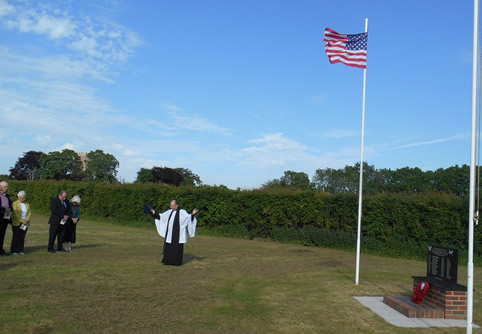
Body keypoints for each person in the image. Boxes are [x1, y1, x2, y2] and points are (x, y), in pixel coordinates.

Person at [150, 200, 198, 266]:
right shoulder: (169, 212)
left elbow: (188, 218)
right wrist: (154, 213)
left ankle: (176, 262)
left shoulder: (182, 212)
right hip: (170, 234)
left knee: (177, 248)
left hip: (178, 234)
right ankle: (168, 261)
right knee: (169, 247)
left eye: (172, 206)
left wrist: (192, 214)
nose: (171, 207)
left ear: (177, 205)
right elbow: (161, 217)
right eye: (170, 205)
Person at [11, 191, 31, 255]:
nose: (23, 199)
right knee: (16, 237)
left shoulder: (27, 204)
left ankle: (20, 250)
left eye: (24, 197)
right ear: (18, 197)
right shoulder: (14, 204)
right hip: (17, 223)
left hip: (25, 223)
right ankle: (14, 250)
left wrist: (26, 220)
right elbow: (15, 214)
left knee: (22, 237)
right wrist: (21, 220)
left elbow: (29, 213)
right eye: (22, 197)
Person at [0, 181, 13, 255]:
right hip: (0, 216)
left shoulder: (7, 196)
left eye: (7, 187)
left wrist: (10, 208)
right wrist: (3, 209)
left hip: (6, 217)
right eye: (5, 187)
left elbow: (10, 204)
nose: (6, 188)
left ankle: (1, 249)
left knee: (2, 234)